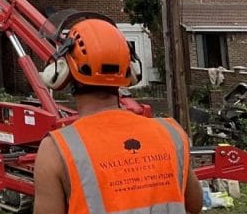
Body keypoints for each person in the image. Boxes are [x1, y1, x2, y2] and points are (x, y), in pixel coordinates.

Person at [33, 14, 202, 214]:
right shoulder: (171, 133)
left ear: (62, 72)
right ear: (130, 71)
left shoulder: (55, 151)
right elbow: (195, 205)